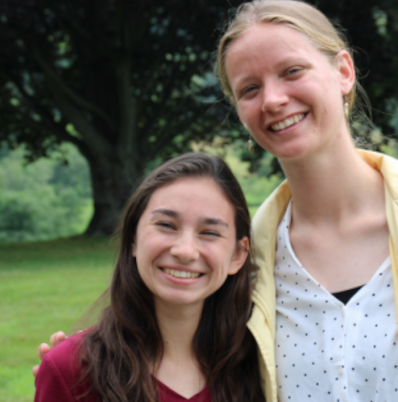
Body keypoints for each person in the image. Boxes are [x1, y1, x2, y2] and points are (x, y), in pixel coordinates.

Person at [36, 0, 398, 401]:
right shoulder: (252, 262)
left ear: (342, 72)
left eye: (292, 71)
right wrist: (79, 366)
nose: (273, 99)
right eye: (249, 89)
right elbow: (171, 349)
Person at [33, 153, 264, 402]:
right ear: (133, 237)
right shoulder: (72, 370)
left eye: (209, 232)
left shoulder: (267, 366)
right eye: (166, 225)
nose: (185, 251)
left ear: (238, 255)